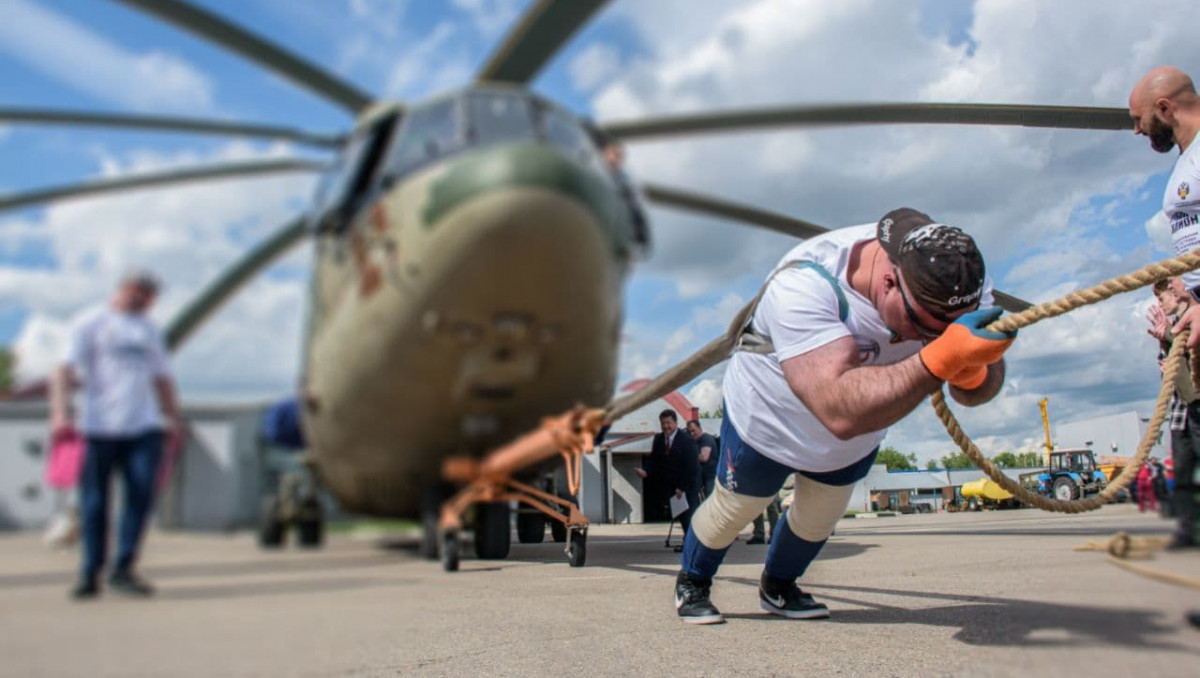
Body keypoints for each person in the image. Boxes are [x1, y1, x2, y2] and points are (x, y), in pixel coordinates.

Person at [672, 208, 1014, 624]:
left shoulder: (963, 284)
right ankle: (692, 582)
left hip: (853, 441)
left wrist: (976, 370)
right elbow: (837, 408)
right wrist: (940, 358)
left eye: (941, 333)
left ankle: (779, 586)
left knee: (818, 519)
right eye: (921, 327)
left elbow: (975, 392)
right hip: (769, 424)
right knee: (735, 509)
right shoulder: (805, 283)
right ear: (889, 281)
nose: (926, 340)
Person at [50, 268, 184, 600]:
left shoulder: (150, 330)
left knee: (139, 499)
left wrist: (173, 416)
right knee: (95, 503)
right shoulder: (91, 322)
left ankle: (123, 568)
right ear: (122, 289)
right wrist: (60, 414)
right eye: (137, 292)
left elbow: (162, 376)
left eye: (149, 296)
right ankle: (89, 573)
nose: (142, 300)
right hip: (98, 427)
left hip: (144, 428)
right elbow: (63, 370)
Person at [642, 410, 701, 536]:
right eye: (663, 423)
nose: (665, 426)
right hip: (672, 487)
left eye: (668, 423)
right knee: (682, 516)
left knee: (689, 516)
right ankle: (688, 542)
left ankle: (692, 545)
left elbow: (692, 466)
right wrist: (646, 471)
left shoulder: (686, 440)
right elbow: (654, 459)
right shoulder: (659, 439)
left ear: (675, 423)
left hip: (688, 486)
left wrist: (682, 487)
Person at [686, 419, 719, 498]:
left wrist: (689, 456)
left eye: (694, 430)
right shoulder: (694, 442)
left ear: (700, 428)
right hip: (702, 477)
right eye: (689, 432)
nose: (692, 433)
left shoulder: (706, 439)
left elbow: (704, 457)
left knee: (710, 500)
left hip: (711, 477)